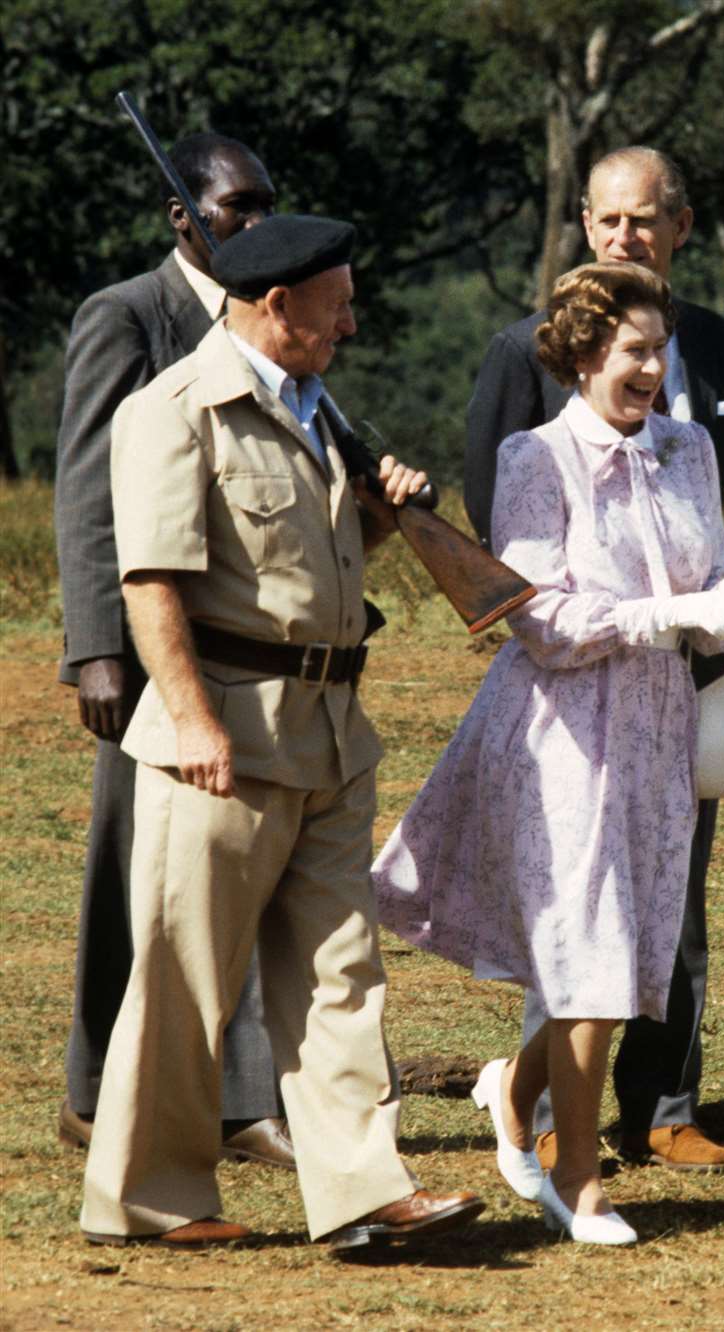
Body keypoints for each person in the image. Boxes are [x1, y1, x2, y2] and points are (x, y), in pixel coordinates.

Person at [373, 262, 724, 1245]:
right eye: (633, 351)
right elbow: (546, 625)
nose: (653, 368)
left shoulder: (691, 449)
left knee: (626, 951)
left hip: (662, 728)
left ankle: (514, 1091)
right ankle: (577, 1179)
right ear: (581, 355)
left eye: (660, 349)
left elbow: (714, 564)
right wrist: (676, 612)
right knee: (592, 957)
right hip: (563, 731)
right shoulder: (539, 459)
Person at [79, 214, 484, 1256]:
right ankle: (149, 1197)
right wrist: (192, 721)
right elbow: (153, 583)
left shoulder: (312, 410)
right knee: (187, 977)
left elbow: (317, 566)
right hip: (223, 735)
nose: (351, 323)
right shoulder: (171, 413)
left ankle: (361, 1191)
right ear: (275, 306)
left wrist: (386, 516)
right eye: (336, 303)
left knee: (342, 971)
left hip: (332, 733)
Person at [464, 146, 724, 1173]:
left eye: (647, 220)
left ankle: (665, 1102)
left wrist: (709, 611)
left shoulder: (720, 347)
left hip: (685, 670)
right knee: (577, 893)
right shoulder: (520, 353)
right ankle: (545, 1116)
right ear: (585, 225)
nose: (626, 236)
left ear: (681, 225)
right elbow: (497, 525)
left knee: (674, 887)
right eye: (609, 221)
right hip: (575, 670)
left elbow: (709, 498)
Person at [54, 131, 294, 1169]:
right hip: (152, 649)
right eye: (238, 205)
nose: (255, 221)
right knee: (129, 868)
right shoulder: (128, 316)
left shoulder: (269, 320)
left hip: (251, 649)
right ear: (181, 215)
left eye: (263, 204)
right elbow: (86, 492)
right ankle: (94, 1092)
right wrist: (98, 649)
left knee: (234, 872)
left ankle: (243, 1100)